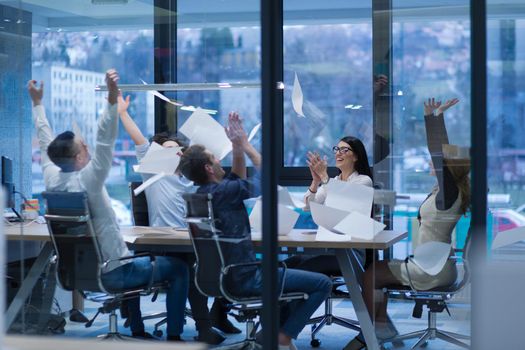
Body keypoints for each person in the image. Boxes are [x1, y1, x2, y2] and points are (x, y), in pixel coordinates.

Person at [28, 71, 189, 342]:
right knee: (179, 268)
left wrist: (37, 104)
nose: (88, 145)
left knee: (140, 259)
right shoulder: (90, 179)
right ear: (79, 156)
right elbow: (105, 138)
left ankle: (137, 329)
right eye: (83, 145)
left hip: (79, 274)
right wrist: (112, 99)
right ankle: (174, 336)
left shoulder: (51, 175)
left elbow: (46, 143)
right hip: (115, 271)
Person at [178, 112, 332, 350]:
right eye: (215, 159)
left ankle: (269, 334)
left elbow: (236, 179)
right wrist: (247, 146)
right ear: (209, 168)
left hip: (220, 279)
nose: (221, 161)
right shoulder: (226, 193)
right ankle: (284, 335)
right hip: (247, 277)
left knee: (290, 270)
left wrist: (237, 148)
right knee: (322, 283)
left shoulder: (203, 195)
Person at [344, 98, 471, 350]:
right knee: (376, 270)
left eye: (439, 163)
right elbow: (441, 153)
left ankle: (368, 334)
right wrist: (436, 117)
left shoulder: (448, 193)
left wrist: (433, 119)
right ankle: (379, 330)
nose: (431, 163)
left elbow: (438, 151)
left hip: (429, 270)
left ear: (447, 168)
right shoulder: (448, 192)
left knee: (370, 274)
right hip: (438, 265)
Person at [117, 94, 238, 344]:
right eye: (167, 151)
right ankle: (138, 325)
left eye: (178, 151)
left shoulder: (193, 179)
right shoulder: (153, 171)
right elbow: (139, 139)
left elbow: (217, 169)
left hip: (188, 242)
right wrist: (122, 113)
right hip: (158, 242)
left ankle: (204, 326)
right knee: (182, 270)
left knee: (203, 270)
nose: (174, 155)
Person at [285, 136, 373, 275]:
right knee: (291, 262)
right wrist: (315, 181)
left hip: (350, 253)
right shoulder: (332, 182)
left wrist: (324, 177)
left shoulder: (363, 181)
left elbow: (342, 201)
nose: (338, 153)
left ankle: (286, 293)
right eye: (337, 149)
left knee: (302, 268)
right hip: (328, 248)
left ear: (356, 156)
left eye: (344, 150)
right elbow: (307, 207)